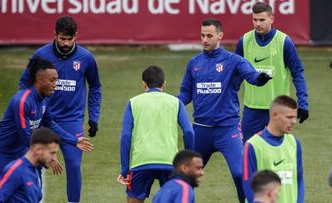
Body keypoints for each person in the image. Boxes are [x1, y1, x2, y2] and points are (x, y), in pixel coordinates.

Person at [178, 18, 271, 203]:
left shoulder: (234, 61)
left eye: (209, 35)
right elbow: (185, 93)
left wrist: (260, 78)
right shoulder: (193, 63)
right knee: (184, 178)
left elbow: (251, 75)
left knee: (240, 173)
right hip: (200, 130)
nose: (205, 39)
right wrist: (169, 102)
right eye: (202, 35)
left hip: (227, 130)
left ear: (220, 36)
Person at [0, 57, 93, 203]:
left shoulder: (45, 99)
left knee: (28, 197)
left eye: (56, 80)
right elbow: (25, 136)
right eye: (52, 80)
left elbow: (50, 123)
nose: (56, 84)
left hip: (21, 151)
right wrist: (46, 155)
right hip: (0, 153)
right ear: (39, 80)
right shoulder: (22, 101)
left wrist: (73, 140)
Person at [19, 16, 101, 202]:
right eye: (62, 38)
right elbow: (24, 83)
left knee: (73, 164)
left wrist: (94, 117)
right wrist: (32, 107)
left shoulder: (86, 58)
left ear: (76, 36)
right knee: (37, 162)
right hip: (43, 120)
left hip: (72, 120)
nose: (65, 43)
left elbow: (95, 86)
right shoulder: (41, 55)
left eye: (69, 39)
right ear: (55, 35)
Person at [118, 65, 195, 203]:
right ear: (164, 84)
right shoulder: (176, 102)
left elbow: (125, 137)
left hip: (141, 162)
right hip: (169, 162)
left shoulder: (133, 103)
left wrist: (124, 170)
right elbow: (189, 132)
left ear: (144, 84)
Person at [235, 2, 309, 143]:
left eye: (262, 20)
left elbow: (297, 73)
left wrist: (303, 103)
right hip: (252, 109)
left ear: (271, 19)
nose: (257, 24)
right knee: (247, 154)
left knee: (278, 155)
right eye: (255, 20)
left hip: (279, 109)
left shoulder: (284, 42)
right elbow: (236, 75)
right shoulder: (244, 41)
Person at [243, 95, 304, 203]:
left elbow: (299, 178)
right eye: (289, 117)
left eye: (295, 117)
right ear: (274, 115)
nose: (294, 121)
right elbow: (248, 184)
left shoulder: (294, 143)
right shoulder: (253, 145)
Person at [0, 128, 61, 202]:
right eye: (52, 153)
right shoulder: (15, 171)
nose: (54, 158)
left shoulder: (34, 170)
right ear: (38, 150)